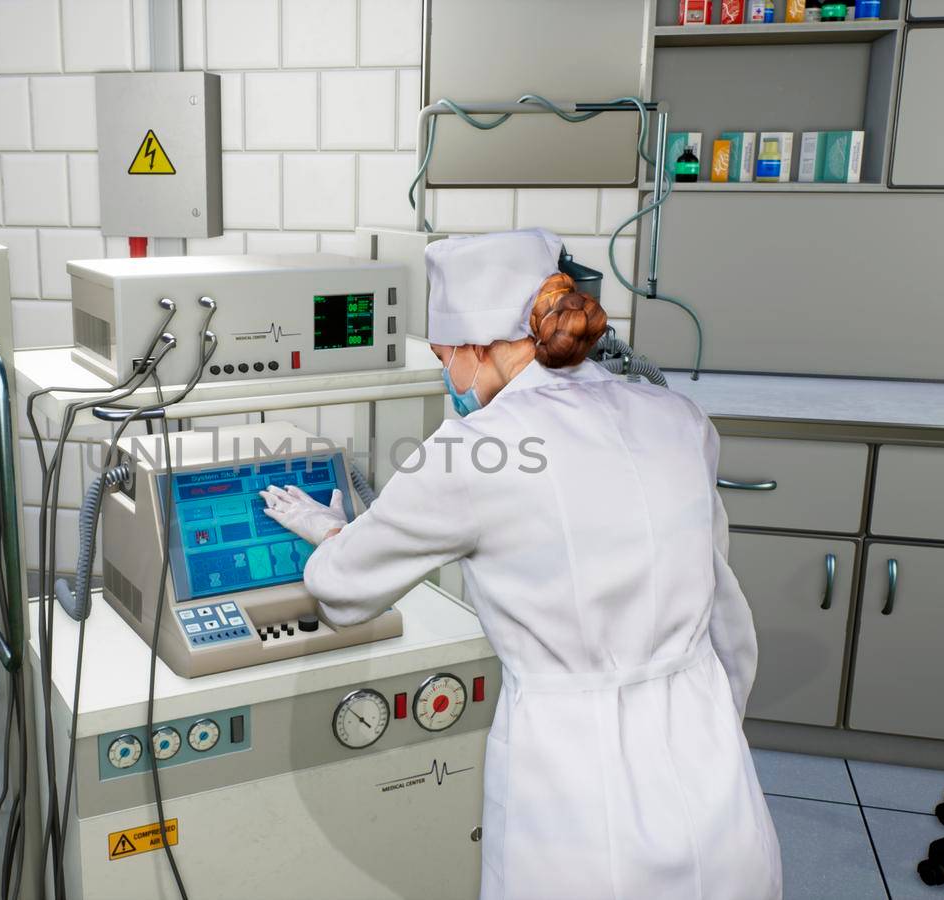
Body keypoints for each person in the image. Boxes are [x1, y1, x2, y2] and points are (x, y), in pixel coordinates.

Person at [260, 228, 783, 900]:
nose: (448, 376)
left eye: (446, 356)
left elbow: (343, 589)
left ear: (476, 348)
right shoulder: (678, 417)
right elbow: (725, 610)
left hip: (576, 790)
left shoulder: (472, 451)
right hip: (711, 765)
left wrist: (327, 528)